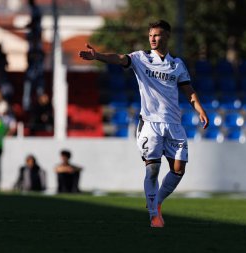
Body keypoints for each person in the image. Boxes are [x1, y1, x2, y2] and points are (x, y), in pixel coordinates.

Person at [79, 20, 208, 227]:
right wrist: (99, 56)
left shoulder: (177, 64)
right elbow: (120, 58)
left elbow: (188, 90)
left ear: (167, 36)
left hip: (174, 123)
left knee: (178, 170)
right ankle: (153, 215)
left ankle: (156, 203)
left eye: (157, 35)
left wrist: (200, 109)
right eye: (150, 36)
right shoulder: (141, 58)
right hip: (150, 123)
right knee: (153, 169)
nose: (153, 39)